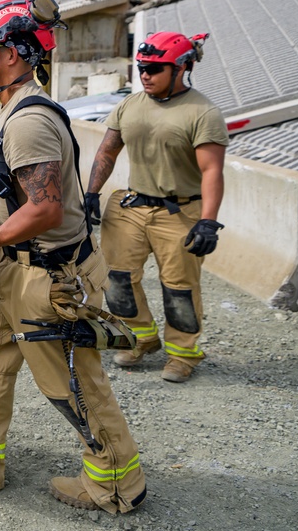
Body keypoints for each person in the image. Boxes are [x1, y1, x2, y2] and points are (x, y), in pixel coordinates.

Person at [0, 0, 146, 515]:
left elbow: (43, 210)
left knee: (73, 384)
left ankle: (116, 485)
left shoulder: (28, 122)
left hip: (47, 276)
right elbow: (16, 200)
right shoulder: (10, 111)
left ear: (13, 56)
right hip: (9, 269)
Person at [85, 31, 228, 384]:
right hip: (131, 205)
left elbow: (212, 171)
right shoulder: (130, 105)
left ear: (181, 68)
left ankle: (183, 354)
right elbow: (107, 151)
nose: (145, 74)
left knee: (178, 287)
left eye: (155, 68)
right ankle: (142, 337)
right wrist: (91, 193)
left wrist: (208, 222)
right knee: (116, 278)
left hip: (179, 211)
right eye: (142, 67)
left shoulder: (203, 112)